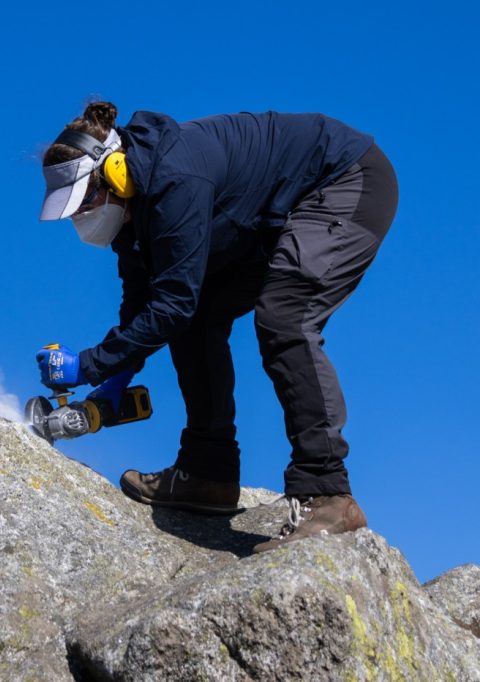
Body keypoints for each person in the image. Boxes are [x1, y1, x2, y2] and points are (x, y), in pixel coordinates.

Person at [35, 102, 398, 553]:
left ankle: (326, 492)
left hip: (346, 179)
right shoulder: (133, 219)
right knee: (198, 317)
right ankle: (208, 473)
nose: (80, 219)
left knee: (285, 315)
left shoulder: (175, 179)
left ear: (115, 171)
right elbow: (144, 307)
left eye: (84, 202)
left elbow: (171, 306)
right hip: (270, 219)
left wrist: (85, 366)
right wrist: (112, 380)